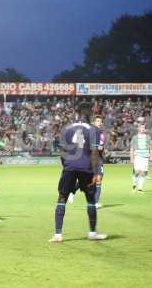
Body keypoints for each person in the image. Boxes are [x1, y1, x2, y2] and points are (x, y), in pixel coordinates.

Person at [49, 103, 107, 243]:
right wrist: (94, 172)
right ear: (89, 114)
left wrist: (66, 166)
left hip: (69, 167)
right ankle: (92, 233)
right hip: (86, 168)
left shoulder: (66, 129)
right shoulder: (94, 130)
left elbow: (62, 152)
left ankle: (58, 234)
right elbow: (94, 152)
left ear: (77, 113)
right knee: (90, 199)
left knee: (62, 198)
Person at [130, 124, 152, 193]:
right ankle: (134, 184)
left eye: (144, 128)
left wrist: (151, 156)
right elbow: (132, 148)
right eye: (141, 128)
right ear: (138, 129)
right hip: (137, 156)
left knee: (143, 173)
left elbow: (151, 148)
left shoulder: (148, 137)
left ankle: (140, 188)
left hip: (145, 157)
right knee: (137, 172)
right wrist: (131, 158)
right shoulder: (135, 137)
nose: (143, 129)